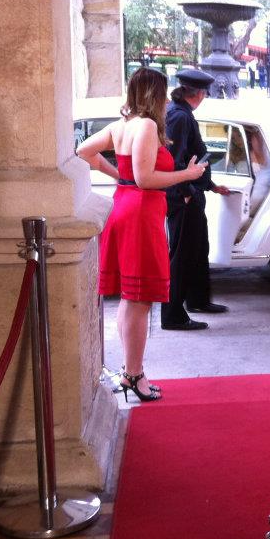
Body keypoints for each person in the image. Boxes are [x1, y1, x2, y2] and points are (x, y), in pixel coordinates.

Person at [76, 68, 208, 402]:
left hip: (125, 206)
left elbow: (84, 151)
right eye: (164, 92)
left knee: (131, 298)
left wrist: (118, 176)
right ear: (155, 94)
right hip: (140, 212)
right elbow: (145, 179)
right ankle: (134, 375)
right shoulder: (147, 125)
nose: (167, 100)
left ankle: (130, 372)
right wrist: (188, 174)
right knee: (140, 299)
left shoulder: (121, 124)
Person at [161, 68, 231, 331]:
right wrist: (188, 192)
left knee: (198, 249)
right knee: (182, 255)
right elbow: (174, 161)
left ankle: (198, 300)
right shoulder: (179, 116)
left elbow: (190, 156)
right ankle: (173, 315)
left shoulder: (180, 112)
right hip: (183, 197)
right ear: (200, 93)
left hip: (191, 193)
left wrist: (210, 186)